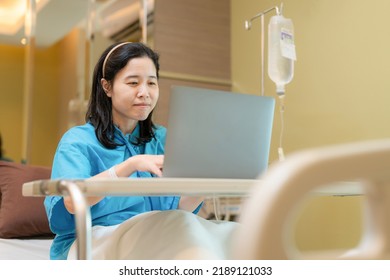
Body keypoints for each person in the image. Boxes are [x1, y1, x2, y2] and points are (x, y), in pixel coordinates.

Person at [44, 42, 208, 260]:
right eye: (133, 83)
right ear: (107, 87)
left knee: (222, 234)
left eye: (152, 83)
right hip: (92, 239)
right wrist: (130, 165)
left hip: (155, 235)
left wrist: (207, 181)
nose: (144, 93)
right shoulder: (78, 141)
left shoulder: (162, 138)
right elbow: (72, 202)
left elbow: (177, 209)